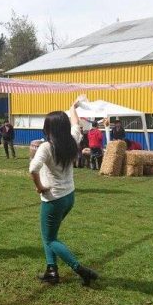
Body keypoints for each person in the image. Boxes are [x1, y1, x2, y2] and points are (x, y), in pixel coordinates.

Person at [29, 101, 100, 287]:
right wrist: (73, 107)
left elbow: (33, 168)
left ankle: (81, 270)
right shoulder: (72, 140)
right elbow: (77, 124)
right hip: (69, 197)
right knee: (48, 235)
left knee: (50, 238)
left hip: (53, 199)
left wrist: (39, 187)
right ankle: (51, 271)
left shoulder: (46, 147)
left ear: (49, 127)